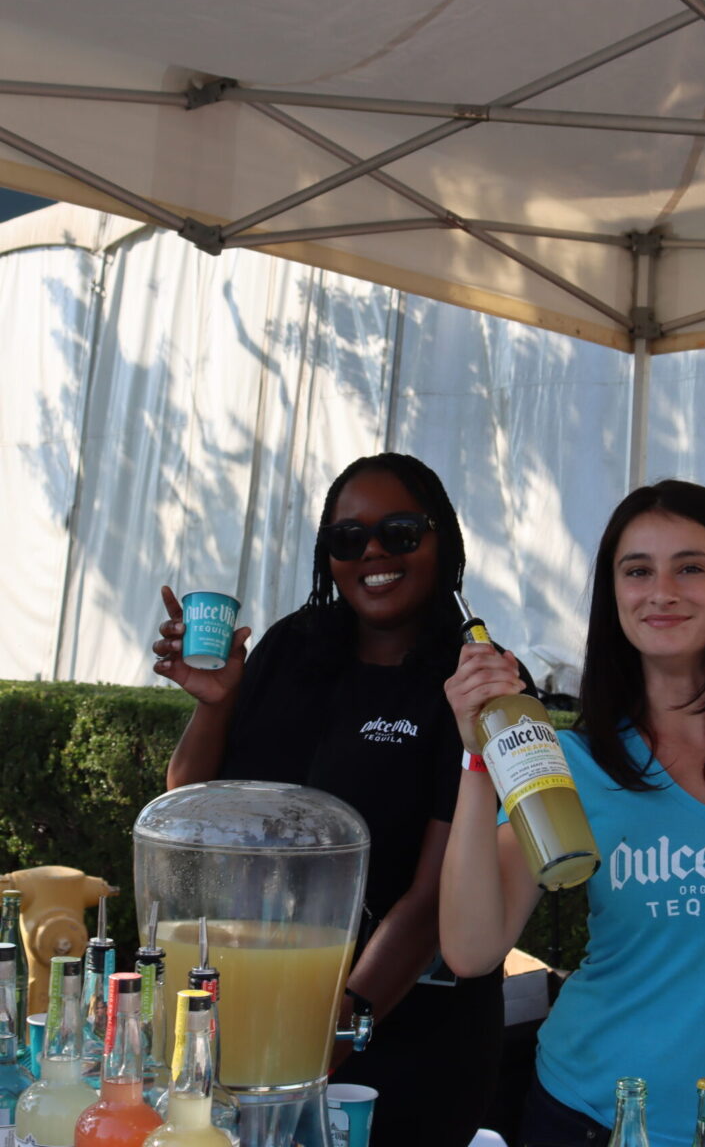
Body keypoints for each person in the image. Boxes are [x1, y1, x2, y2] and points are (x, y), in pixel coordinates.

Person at [153, 452, 537, 1147]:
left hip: (405, 1036)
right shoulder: (290, 648)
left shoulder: (481, 677)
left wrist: (327, 1032)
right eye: (348, 539)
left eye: (400, 532)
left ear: (443, 542)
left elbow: (430, 900)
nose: (374, 553)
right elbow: (191, 808)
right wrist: (216, 704)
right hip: (254, 1013)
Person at [440, 479, 705, 1147]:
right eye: (637, 570)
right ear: (612, 594)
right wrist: (478, 760)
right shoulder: (568, 761)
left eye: (692, 568)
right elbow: (473, 948)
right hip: (598, 1117)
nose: (662, 591)